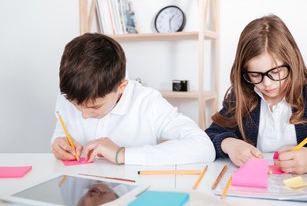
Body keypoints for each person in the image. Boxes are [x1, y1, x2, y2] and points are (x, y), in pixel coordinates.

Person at [205, 14, 307, 174]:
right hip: (257, 190)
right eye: (255, 75)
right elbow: (209, 136)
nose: (267, 83)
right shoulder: (241, 96)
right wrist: (230, 144)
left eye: (277, 71)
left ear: (292, 61)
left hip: (305, 188)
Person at [51, 33, 215, 165]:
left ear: (121, 86)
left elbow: (204, 147)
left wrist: (122, 154)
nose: (84, 115)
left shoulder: (147, 102)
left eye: (95, 107)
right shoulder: (68, 95)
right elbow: (60, 132)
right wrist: (58, 143)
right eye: (76, 105)